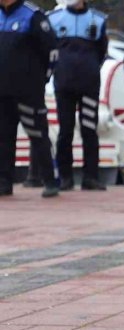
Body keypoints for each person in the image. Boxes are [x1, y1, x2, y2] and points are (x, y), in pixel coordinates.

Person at [0, 0, 59, 198]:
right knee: (4, 137)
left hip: (28, 90)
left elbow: (51, 49)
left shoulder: (32, 16)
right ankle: (4, 182)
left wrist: (42, 79)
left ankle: (50, 180)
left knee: (38, 135)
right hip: (2, 91)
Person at [48, 0, 108, 191]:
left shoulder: (97, 20)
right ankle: (65, 177)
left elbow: (102, 51)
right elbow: (48, 49)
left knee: (89, 129)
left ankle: (91, 177)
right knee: (65, 131)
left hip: (89, 84)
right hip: (63, 84)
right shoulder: (54, 19)